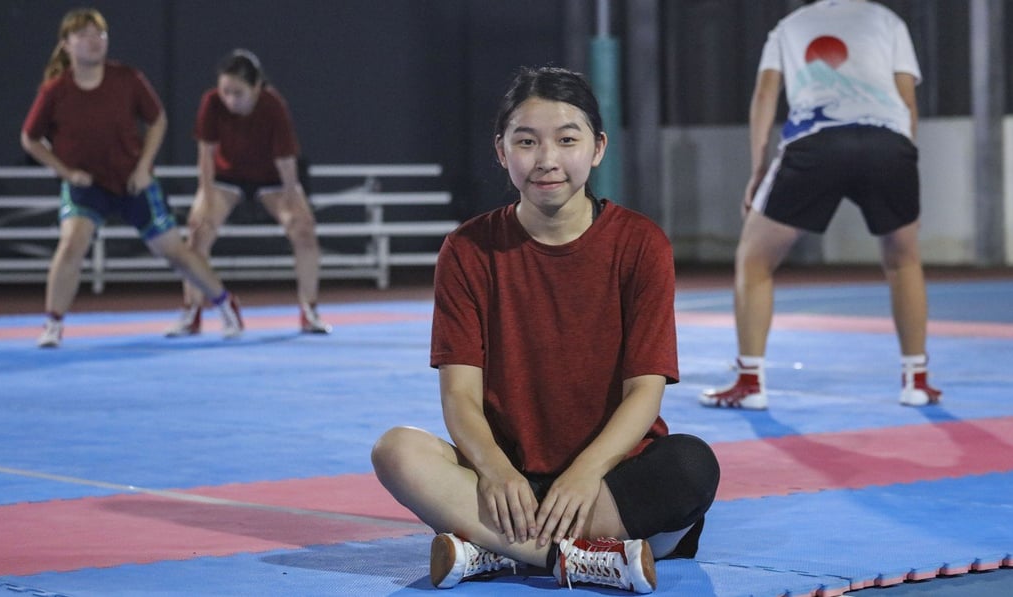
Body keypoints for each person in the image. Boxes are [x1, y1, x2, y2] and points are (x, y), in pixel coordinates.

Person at [370, 67, 720, 594]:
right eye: (527, 141)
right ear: (501, 150)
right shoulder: (468, 250)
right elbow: (460, 397)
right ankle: (584, 559)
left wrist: (584, 474)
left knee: (692, 467)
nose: (547, 159)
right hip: (512, 482)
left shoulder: (641, 244)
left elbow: (645, 390)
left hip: (610, 480)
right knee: (396, 450)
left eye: (566, 139)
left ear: (598, 148)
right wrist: (495, 470)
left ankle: (494, 551)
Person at [701, 0, 941, 410]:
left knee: (754, 261)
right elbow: (907, 101)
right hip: (889, 144)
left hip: (817, 141)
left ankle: (749, 382)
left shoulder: (788, 26)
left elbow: (765, 94)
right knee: (904, 259)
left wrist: (758, 170)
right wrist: (904, 156)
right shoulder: (887, 21)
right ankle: (916, 381)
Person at [20, 8, 243, 348]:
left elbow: (158, 121)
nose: (93, 42)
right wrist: (66, 173)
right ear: (66, 45)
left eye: (100, 35)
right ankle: (53, 324)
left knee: (175, 252)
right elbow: (30, 139)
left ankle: (226, 305)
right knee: (71, 244)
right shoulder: (55, 91)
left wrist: (142, 168)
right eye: (83, 36)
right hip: (86, 188)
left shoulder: (128, 79)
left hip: (132, 183)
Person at [165, 49, 330, 337]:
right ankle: (192, 311)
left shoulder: (273, 105)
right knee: (197, 231)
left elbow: (286, 162)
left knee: (304, 229)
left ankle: (309, 311)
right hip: (226, 178)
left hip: (272, 179)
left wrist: (294, 205)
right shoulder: (211, 103)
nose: (230, 99)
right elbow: (205, 155)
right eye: (225, 91)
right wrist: (204, 198)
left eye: (238, 93)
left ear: (256, 88)